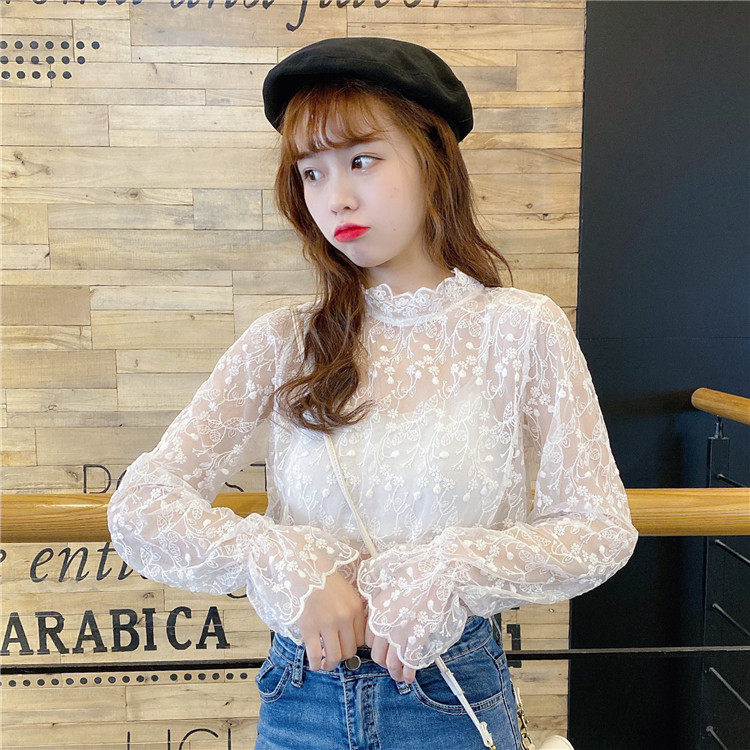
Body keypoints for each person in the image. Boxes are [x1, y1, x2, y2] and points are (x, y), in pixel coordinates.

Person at [107, 37, 639, 750]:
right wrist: (279, 559)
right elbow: (141, 507)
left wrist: (452, 571)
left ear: (431, 159)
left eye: (362, 160)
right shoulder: (286, 340)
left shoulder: (519, 329)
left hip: (450, 695)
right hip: (301, 699)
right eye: (312, 172)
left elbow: (599, 527)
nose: (337, 198)